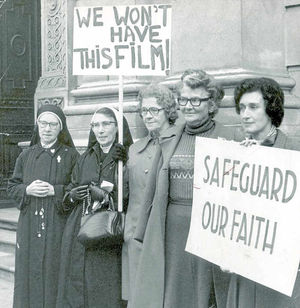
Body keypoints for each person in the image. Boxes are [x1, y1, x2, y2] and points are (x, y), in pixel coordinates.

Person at [131, 69, 235, 308]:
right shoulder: (169, 138)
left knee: (206, 296)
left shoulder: (230, 138)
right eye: (183, 100)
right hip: (172, 233)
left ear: (211, 104)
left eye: (196, 100)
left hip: (209, 229)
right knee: (174, 296)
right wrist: (144, 233)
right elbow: (152, 191)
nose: (188, 106)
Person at [226, 77, 300, 308]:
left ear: (271, 109)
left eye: (253, 107)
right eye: (241, 108)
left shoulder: (293, 152)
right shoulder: (233, 153)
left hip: (280, 268)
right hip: (245, 266)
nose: (245, 114)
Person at [56, 106, 133, 308]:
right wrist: (71, 196)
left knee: (105, 285)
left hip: (108, 232)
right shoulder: (85, 158)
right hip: (81, 228)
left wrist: (111, 192)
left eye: (106, 124)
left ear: (118, 127)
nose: (100, 130)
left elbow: (132, 194)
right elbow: (70, 189)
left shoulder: (126, 158)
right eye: (96, 125)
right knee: (80, 285)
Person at [7, 104, 79, 308]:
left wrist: (55, 191)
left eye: (52, 124)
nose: (47, 129)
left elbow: (78, 188)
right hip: (29, 225)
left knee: (54, 272)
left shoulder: (71, 156)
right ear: (37, 125)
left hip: (57, 225)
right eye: (43, 123)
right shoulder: (26, 155)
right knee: (29, 274)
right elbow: (12, 186)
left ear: (60, 128)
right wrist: (26, 190)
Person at [122, 84, 178, 303]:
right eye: (144, 111)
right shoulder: (134, 149)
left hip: (165, 236)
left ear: (168, 110)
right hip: (136, 234)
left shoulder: (179, 143)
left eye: (154, 110)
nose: (148, 115)